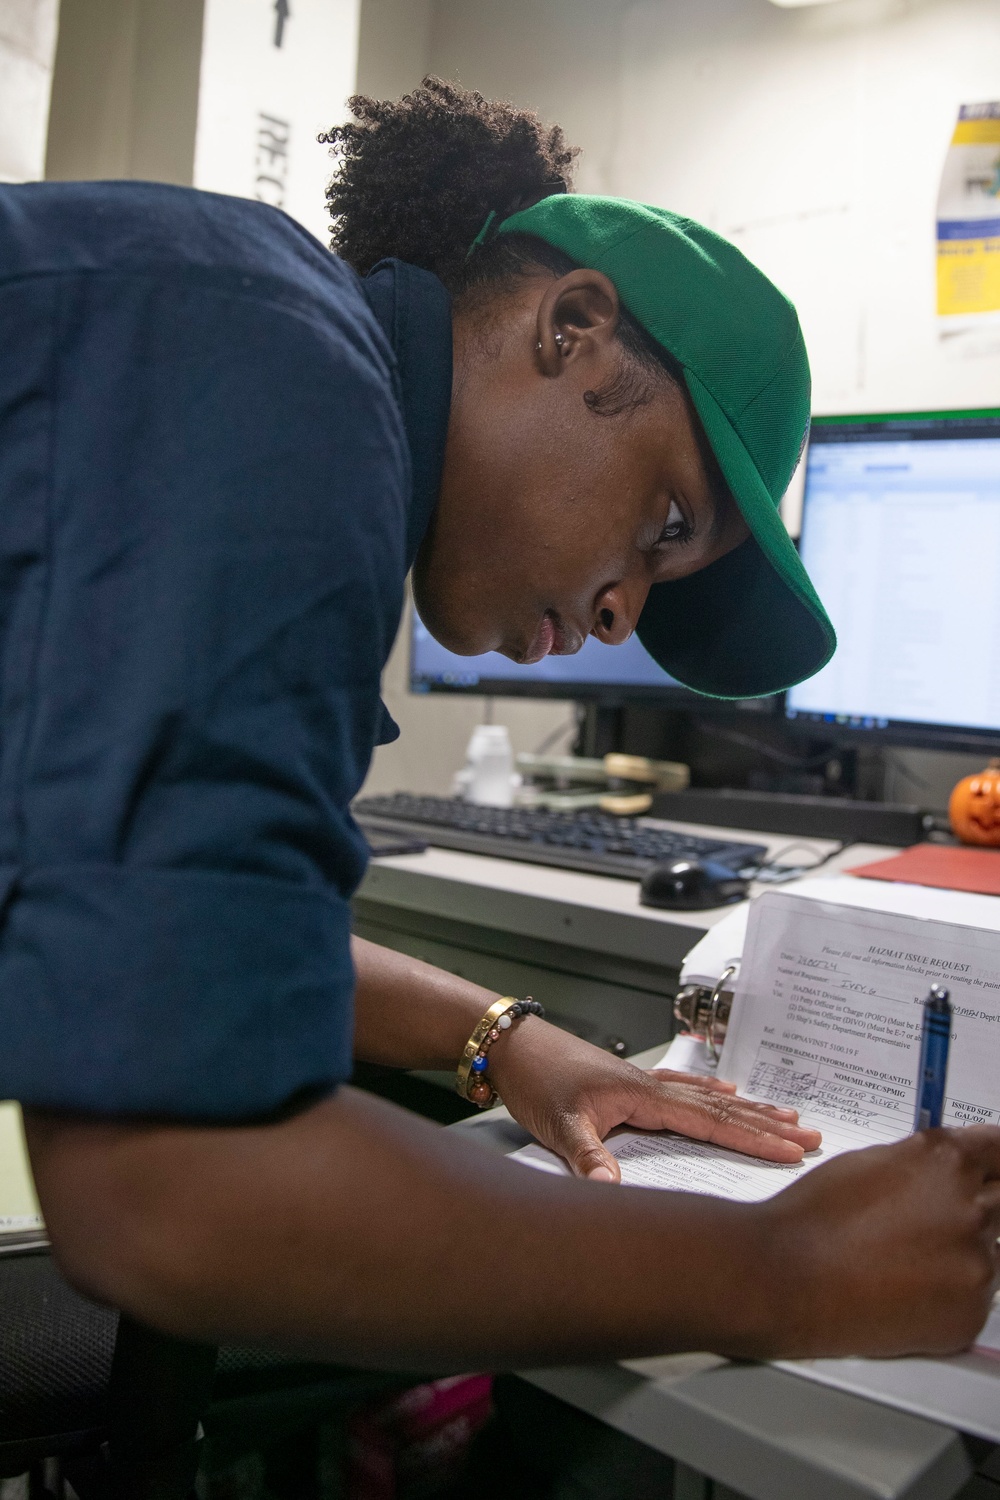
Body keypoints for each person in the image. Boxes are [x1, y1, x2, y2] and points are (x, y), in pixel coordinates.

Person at [7, 79, 999, 1371]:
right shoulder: (291, 380)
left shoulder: (266, 351)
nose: (614, 614)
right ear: (573, 329)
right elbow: (173, 1192)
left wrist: (503, 1038)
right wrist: (786, 1268)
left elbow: (176, 943)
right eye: (659, 529)